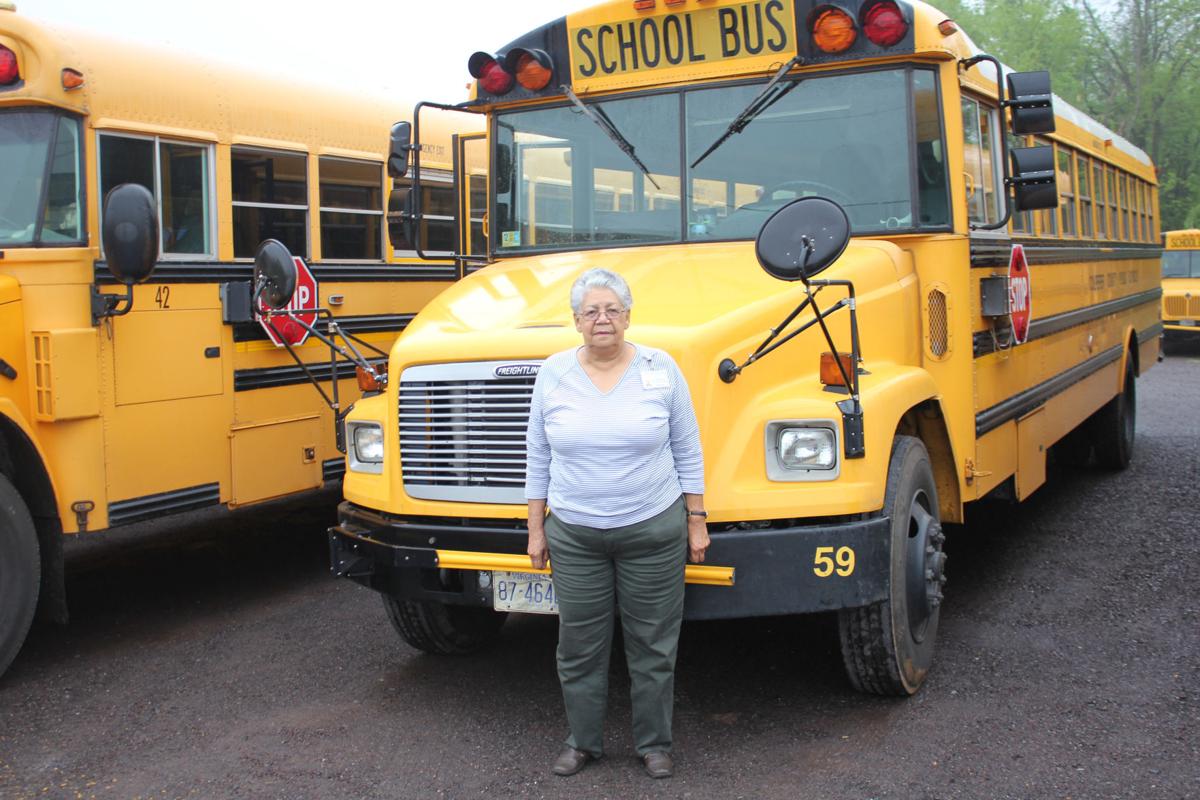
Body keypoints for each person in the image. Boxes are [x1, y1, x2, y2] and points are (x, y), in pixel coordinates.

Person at [525, 267, 709, 780]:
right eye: (591, 311)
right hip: (576, 535)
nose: (601, 319)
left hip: (652, 529)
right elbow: (537, 453)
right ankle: (582, 742)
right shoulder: (554, 373)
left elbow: (687, 448)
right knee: (579, 644)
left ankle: (654, 744)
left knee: (652, 644)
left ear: (628, 316)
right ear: (576, 321)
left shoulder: (661, 367)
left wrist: (697, 520)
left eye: (612, 310)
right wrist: (536, 529)